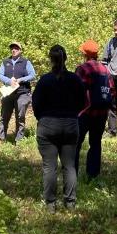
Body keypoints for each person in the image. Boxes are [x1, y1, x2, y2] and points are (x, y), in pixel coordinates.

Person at [32, 45, 87, 211]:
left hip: (47, 125)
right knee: (69, 166)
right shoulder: (75, 79)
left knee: (49, 166)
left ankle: (50, 204)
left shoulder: (44, 80)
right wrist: (72, 114)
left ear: (51, 59)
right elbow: (83, 101)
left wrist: (43, 118)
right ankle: (70, 202)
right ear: (66, 59)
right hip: (70, 124)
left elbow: (36, 104)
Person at [74, 40, 116, 179]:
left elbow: (77, 90)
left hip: (85, 113)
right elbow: (112, 91)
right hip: (101, 113)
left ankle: (71, 172)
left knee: (76, 143)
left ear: (85, 54)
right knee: (95, 143)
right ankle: (93, 175)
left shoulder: (83, 68)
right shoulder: (105, 69)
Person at [0, 41, 36, 143]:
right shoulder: (5, 62)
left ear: (20, 50)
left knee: (20, 117)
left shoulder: (26, 62)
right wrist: (9, 81)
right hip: (9, 92)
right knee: (4, 115)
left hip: (23, 92)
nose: (14, 50)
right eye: (12, 48)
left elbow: (32, 75)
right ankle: (0, 138)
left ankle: (19, 140)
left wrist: (20, 80)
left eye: (16, 48)